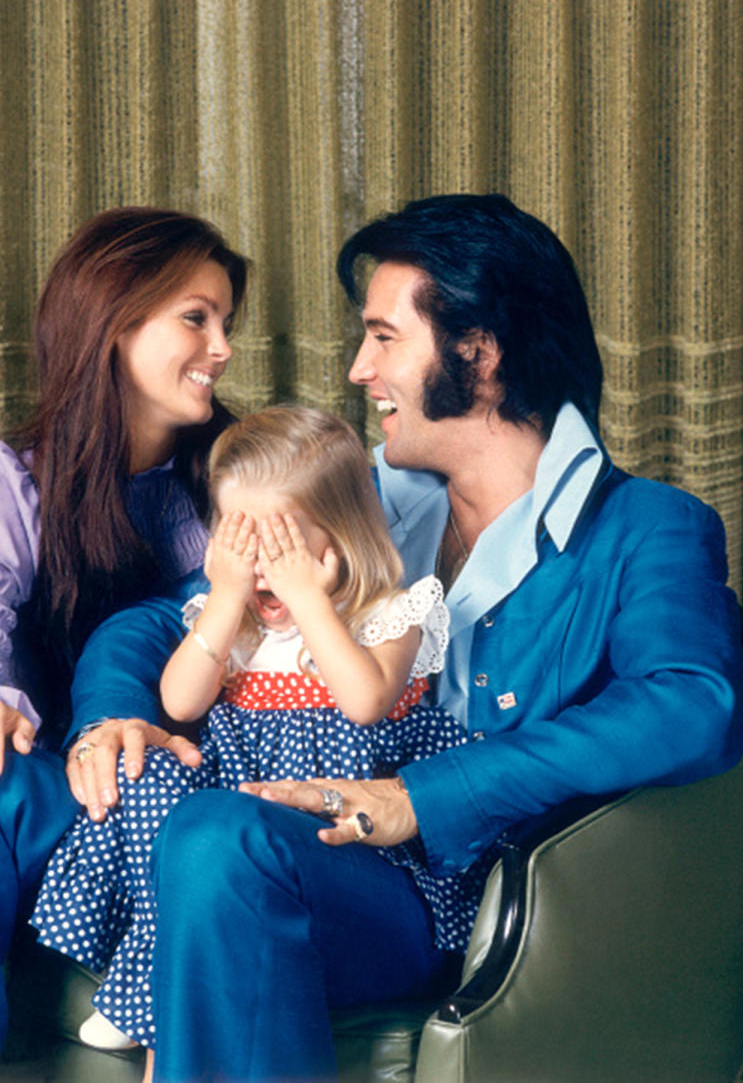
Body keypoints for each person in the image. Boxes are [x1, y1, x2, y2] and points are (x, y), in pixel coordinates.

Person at [37, 192, 743, 1083]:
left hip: (450, 902)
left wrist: (425, 792)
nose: (355, 368)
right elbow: (160, 619)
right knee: (200, 827)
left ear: (479, 354)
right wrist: (112, 717)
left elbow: (696, 701)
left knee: (221, 837)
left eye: (383, 337)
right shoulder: (362, 498)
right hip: (302, 850)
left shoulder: (646, 526)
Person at [0, 206, 249, 1082]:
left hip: (196, 796)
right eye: (197, 317)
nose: (222, 347)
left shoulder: (240, 472)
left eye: (226, 322)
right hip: (68, 802)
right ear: (113, 324)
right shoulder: (11, 489)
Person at [30, 405, 468, 1062]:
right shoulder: (233, 618)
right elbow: (179, 698)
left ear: (341, 537)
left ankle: (155, 990)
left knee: (225, 845)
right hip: (226, 820)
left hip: (340, 845)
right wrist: (226, 598)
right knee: (152, 772)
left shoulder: (392, 613)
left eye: (280, 548)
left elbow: (364, 701)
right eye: (242, 544)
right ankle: (154, 970)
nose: (261, 570)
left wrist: (312, 601)